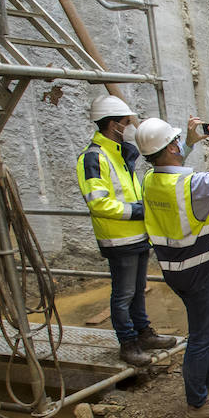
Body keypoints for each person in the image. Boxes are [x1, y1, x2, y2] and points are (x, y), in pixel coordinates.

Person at [133, 115, 209, 418]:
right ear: (170, 148)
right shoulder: (192, 187)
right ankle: (197, 403)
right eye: (175, 143)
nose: (178, 146)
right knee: (201, 335)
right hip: (202, 270)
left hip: (176, 270)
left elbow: (169, 164)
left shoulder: (151, 180)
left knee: (208, 328)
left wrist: (186, 142)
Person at [76, 94, 178, 366]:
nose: (128, 127)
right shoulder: (94, 158)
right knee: (123, 294)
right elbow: (98, 203)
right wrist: (137, 210)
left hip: (137, 236)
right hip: (118, 238)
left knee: (137, 288)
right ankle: (128, 343)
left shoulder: (120, 155)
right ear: (112, 125)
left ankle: (143, 333)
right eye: (124, 122)